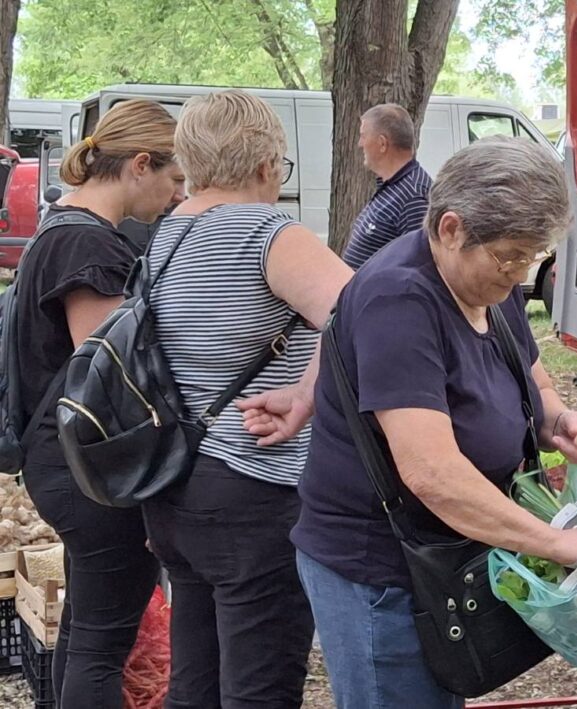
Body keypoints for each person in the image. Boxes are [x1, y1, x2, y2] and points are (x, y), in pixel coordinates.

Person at [284, 138, 577, 708]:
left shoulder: (486, 282)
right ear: (452, 227)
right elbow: (430, 472)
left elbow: (535, 379)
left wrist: (556, 419)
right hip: (382, 574)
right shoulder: (399, 299)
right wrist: (557, 543)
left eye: (533, 258)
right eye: (513, 257)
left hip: (446, 561)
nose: (520, 275)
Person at [139, 90, 352, 708]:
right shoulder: (270, 232)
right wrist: (309, 390)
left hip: (175, 479)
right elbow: (369, 319)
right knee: (260, 687)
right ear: (265, 166)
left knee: (196, 679)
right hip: (256, 481)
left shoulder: (163, 237)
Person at [13, 99, 181, 709]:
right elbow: (112, 385)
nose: (177, 195)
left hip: (59, 465)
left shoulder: (61, 228)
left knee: (87, 635)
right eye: (174, 178)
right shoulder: (89, 248)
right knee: (102, 644)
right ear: (140, 165)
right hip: (90, 474)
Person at [340, 103, 433, 269]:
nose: (360, 144)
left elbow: (419, 270)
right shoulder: (392, 186)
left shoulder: (414, 196)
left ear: (382, 143)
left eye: (363, 136)